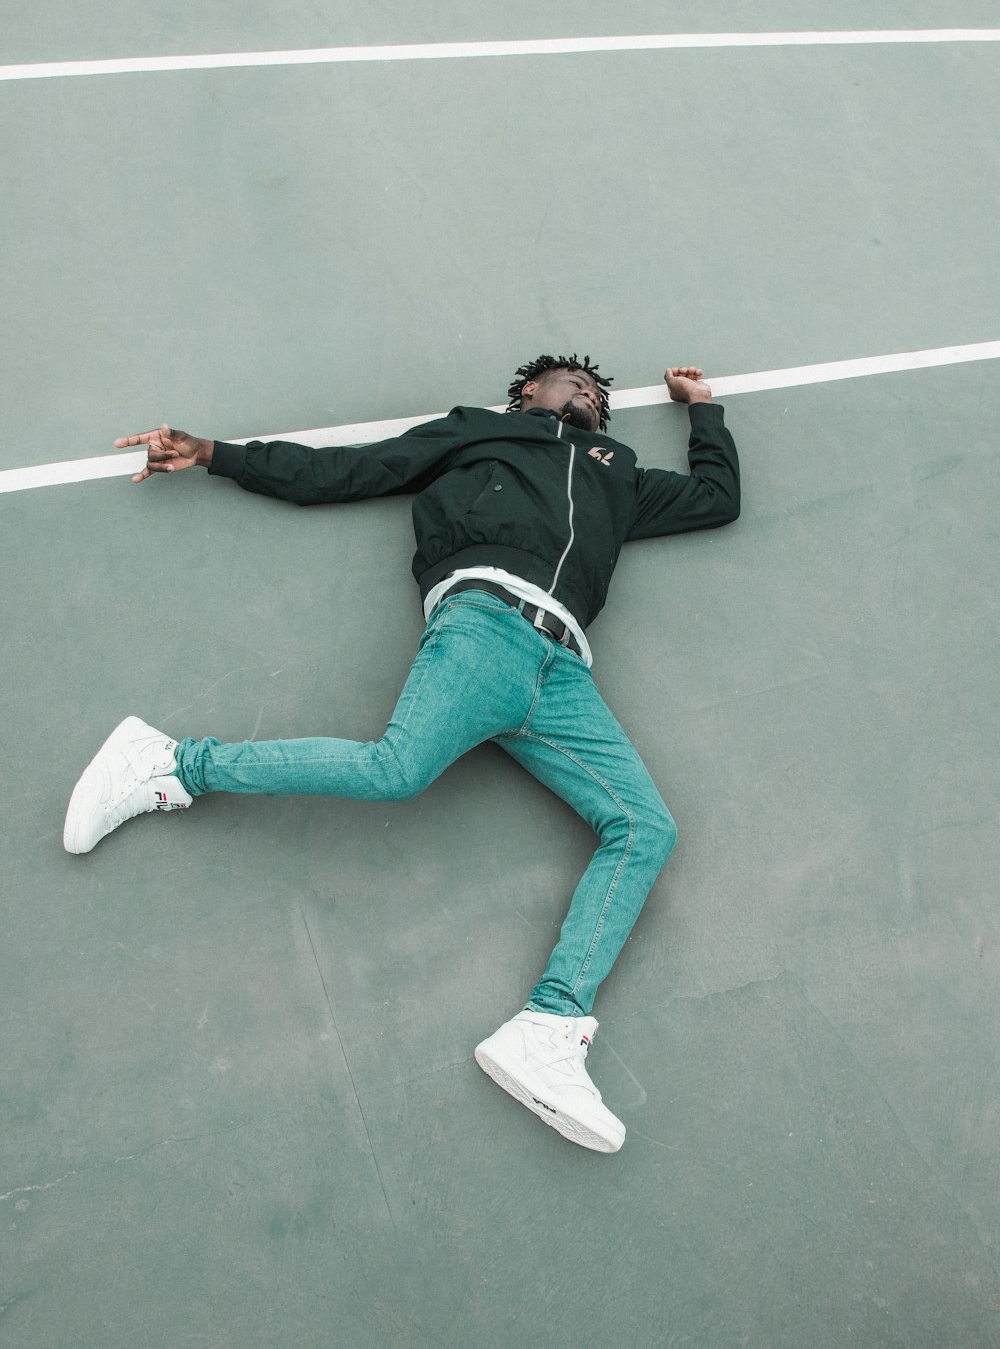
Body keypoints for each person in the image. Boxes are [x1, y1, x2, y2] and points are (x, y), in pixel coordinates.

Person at [64, 357, 739, 1153]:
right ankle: (171, 762)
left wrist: (705, 411)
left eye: (596, 391)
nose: (586, 393)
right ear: (526, 395)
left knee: (644, 827)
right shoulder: (478, 431)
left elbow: (715, 500)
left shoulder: (616, 470)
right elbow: (351, 469)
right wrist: (219, 453)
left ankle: (548, 1028)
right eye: (568, 381)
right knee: (395, 771)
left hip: (561, 673)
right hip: (485, 621)